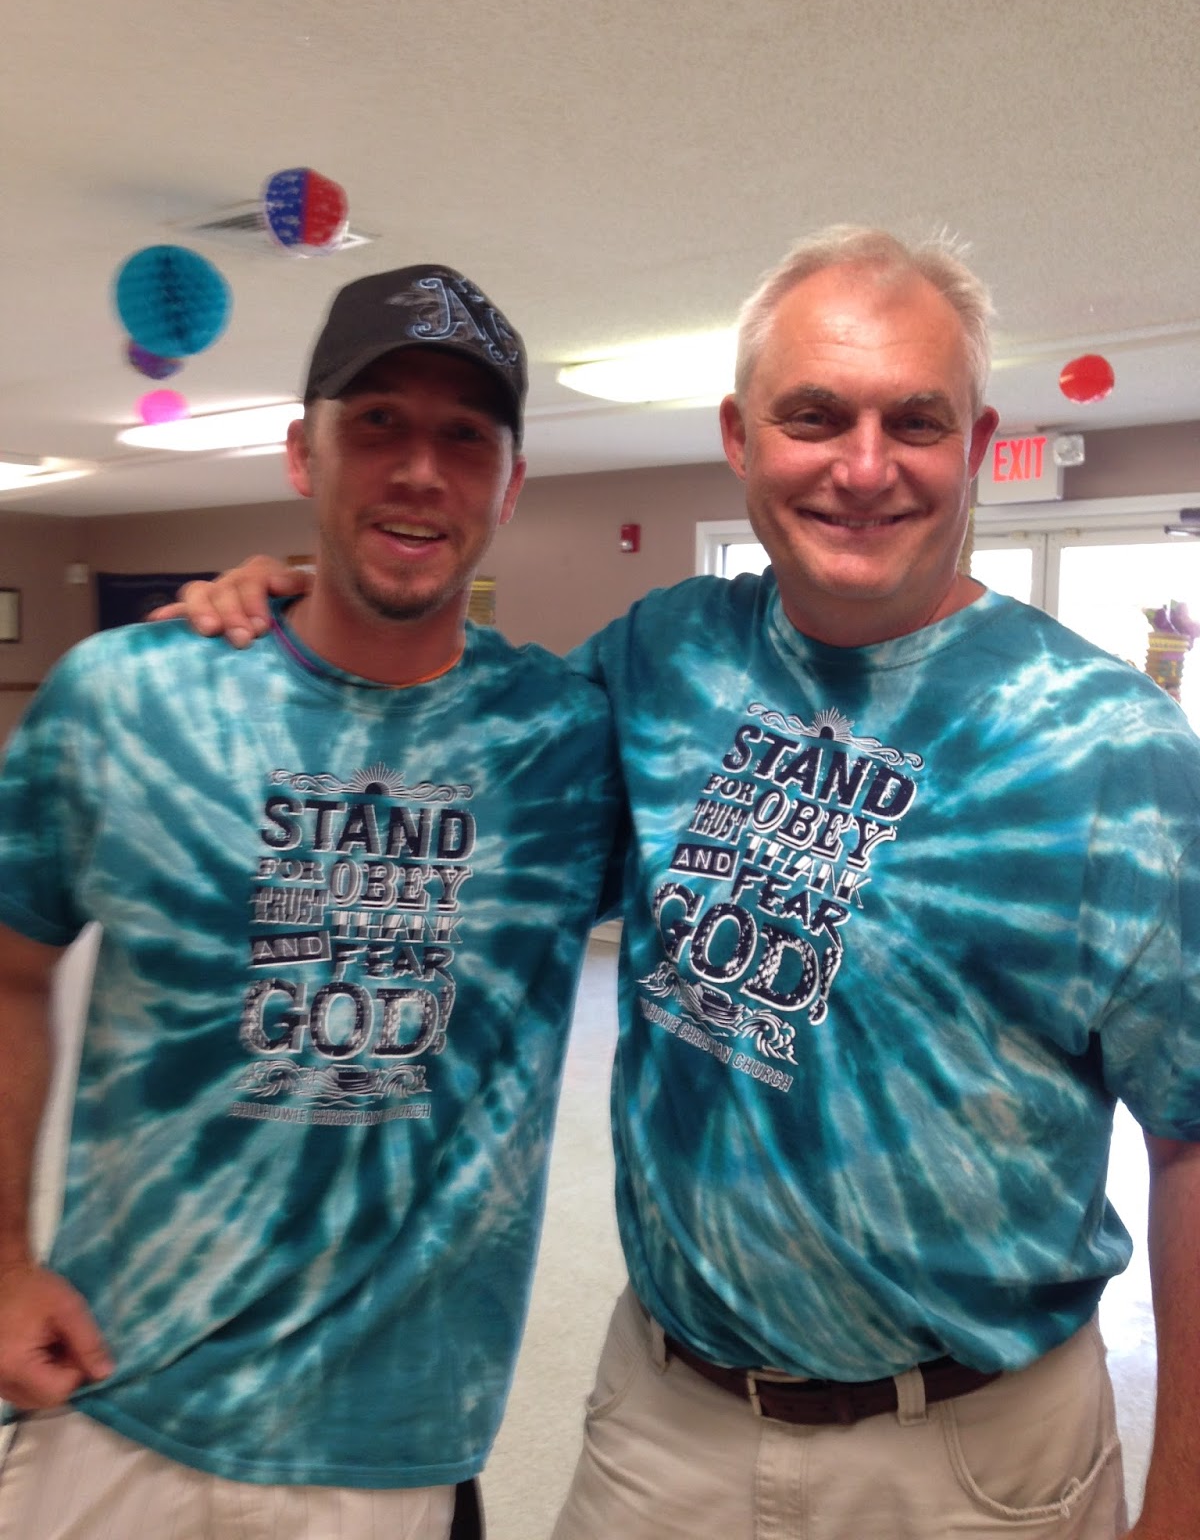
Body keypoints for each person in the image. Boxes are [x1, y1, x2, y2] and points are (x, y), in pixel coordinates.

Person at [162, 228, 1200, 1540]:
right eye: (814, 415)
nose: (863, 465)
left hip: (973, 1457)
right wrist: (314, 607)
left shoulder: (1110, 750)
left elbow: (1191, 1136)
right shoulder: (663, 654)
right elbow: (451, 788)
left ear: (977, 440)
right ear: (739, 437)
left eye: (914, 420)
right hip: (668, 1426)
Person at [0, 264, 621, 1539]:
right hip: (114, 1396)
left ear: (510, 484)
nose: (419, 470)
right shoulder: (125, 697)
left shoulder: (568, 743)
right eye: (378, 422)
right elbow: (8, 967)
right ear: (304, 452)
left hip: (387, 1444)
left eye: (466, 435)